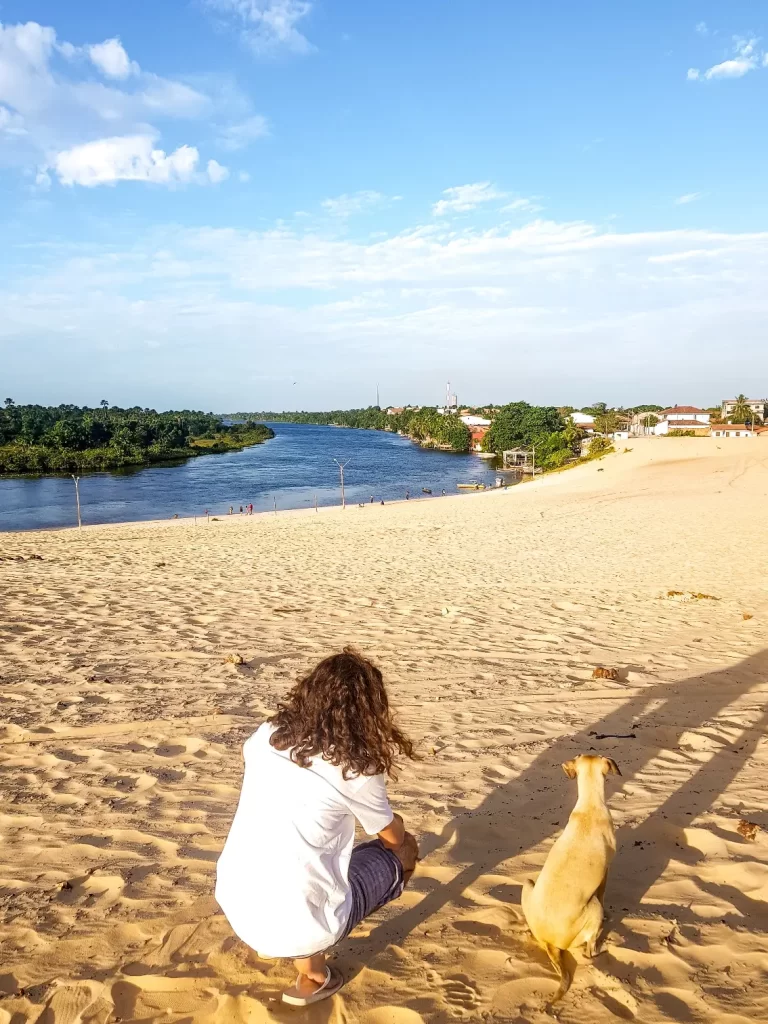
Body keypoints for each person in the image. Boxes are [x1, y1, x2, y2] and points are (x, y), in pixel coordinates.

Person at [216, 648, 418, 1007]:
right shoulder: (355, 767)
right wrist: (399, 828)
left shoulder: (267, 735)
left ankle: (275, 940)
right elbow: (392, 836)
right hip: (300, 922)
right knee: (400, 852)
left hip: (237, 899)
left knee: (300, 853)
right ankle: (313, 974)